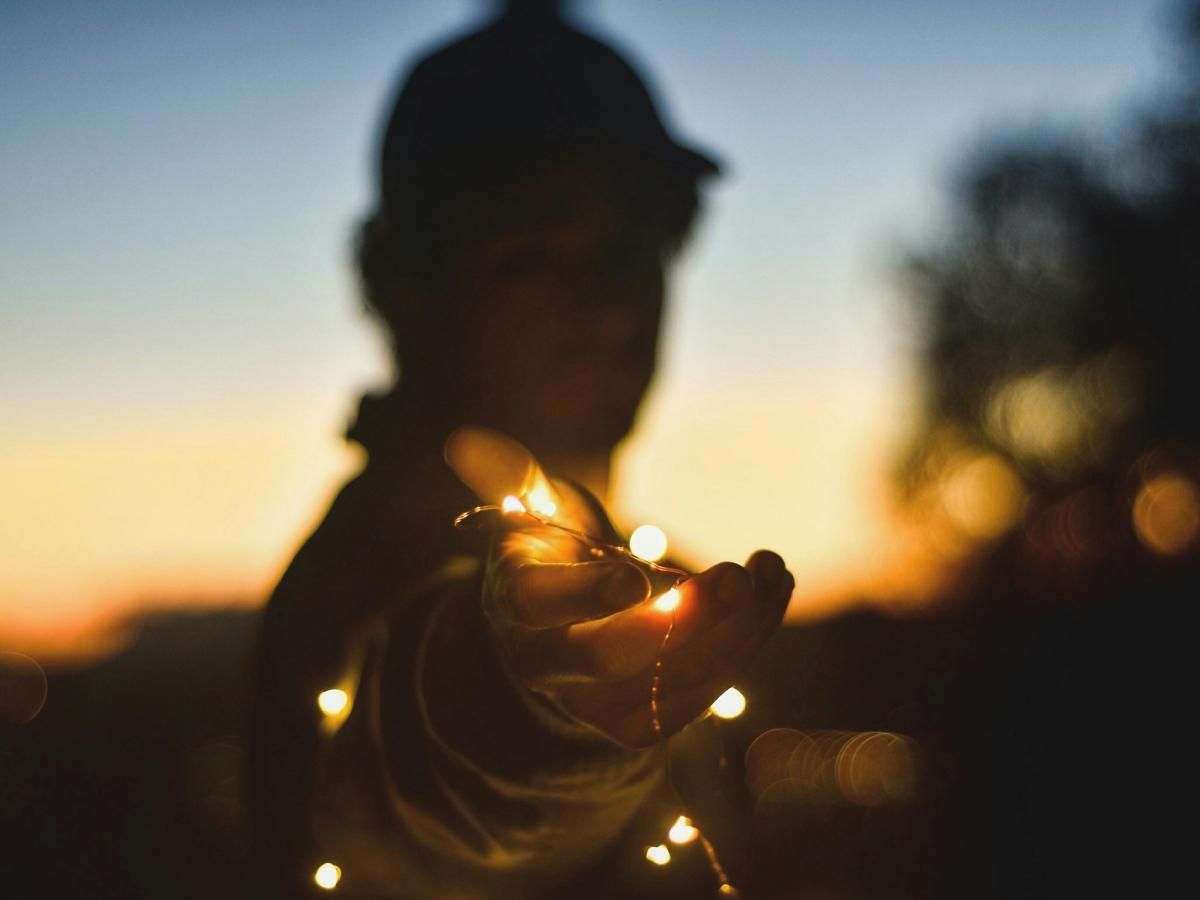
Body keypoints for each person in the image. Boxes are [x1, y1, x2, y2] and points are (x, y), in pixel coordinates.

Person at [251, 4, 793, 897]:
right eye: (535, 252)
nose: (610, 303)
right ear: (404, 288)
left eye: (635, 247)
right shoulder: (359, 591)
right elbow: (421, 775)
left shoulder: (657, 600)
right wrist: (531, 702)